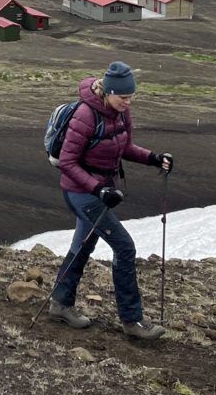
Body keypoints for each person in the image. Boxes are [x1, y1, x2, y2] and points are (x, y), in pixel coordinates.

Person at [47, 61, 170, 339]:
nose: (127, 102)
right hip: (80, 193)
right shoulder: (86, 115)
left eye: (131, 97)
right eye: (123, 97)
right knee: (125, 247)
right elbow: (67, 161)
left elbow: (125, 147)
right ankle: (132, 321)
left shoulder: (121, 114)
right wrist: (98, 189)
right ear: (108, 91)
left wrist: (153, 158)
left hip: (100, 190)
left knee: (82, 246)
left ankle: (60, 304)